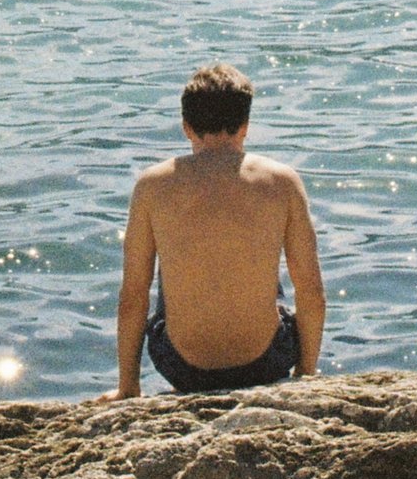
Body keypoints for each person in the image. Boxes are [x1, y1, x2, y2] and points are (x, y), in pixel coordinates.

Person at [116, 62, 324, 396]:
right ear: (245, 126)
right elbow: (312, 289)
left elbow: (132, 296)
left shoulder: (152, 185)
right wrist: (306, 372)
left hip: (182, 368)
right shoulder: (283, 181)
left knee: (168, 274)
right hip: (266, 362)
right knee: (270, 277)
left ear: (186, 127)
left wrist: (128, 386)